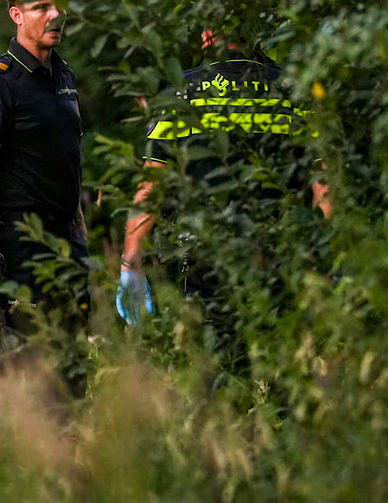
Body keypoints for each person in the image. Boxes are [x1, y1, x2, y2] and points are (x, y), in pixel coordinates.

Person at [117, 20, 329, 335]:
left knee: (215, 363)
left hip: (203, 254)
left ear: (206, 36)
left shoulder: (180, 95)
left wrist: (130, 264)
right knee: (279, 355)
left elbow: (151, 189)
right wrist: (331, 258)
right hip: (282, 249)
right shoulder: (296, 90)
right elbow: (325, 188)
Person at [0, 0, 89, 324]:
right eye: (41, 7)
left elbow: (67, 163)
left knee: (73, 365)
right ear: (17, 15)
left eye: (60, 5)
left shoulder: (64, 74)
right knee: (31, 366)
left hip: (68, 242)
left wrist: (81, 239)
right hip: (22, 245)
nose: (56, 15)